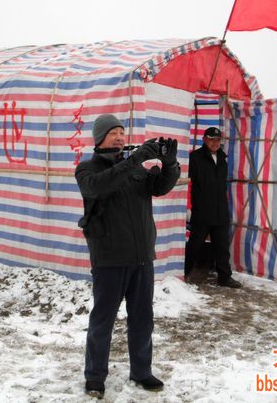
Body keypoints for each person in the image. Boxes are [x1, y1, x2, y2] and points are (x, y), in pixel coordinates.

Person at [75, 114, 180, 399]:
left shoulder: (134, 169)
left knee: (143, 319)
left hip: (142, 257)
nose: (120, 137)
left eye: (122, 132)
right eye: (113, 133)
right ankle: (95, 376)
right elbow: (99, 187)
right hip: (110, 258)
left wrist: (170, 164)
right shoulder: (87, 169)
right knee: (103, 321)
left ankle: (141, 371)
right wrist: (135, 160)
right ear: (100, 138)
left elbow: (160, 187)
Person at [184, 126, 242, 288]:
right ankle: (183, 274)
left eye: (218, 140)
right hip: (201, 211)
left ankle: (225, 277)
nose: (215, 143)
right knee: (194, 245)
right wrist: (189, 207)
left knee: (222, 246)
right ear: (204, 140)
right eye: (211, 139)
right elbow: (188, 184)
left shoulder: (223, 158)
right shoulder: (194, 158)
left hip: (220, 210)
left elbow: (222, 186)